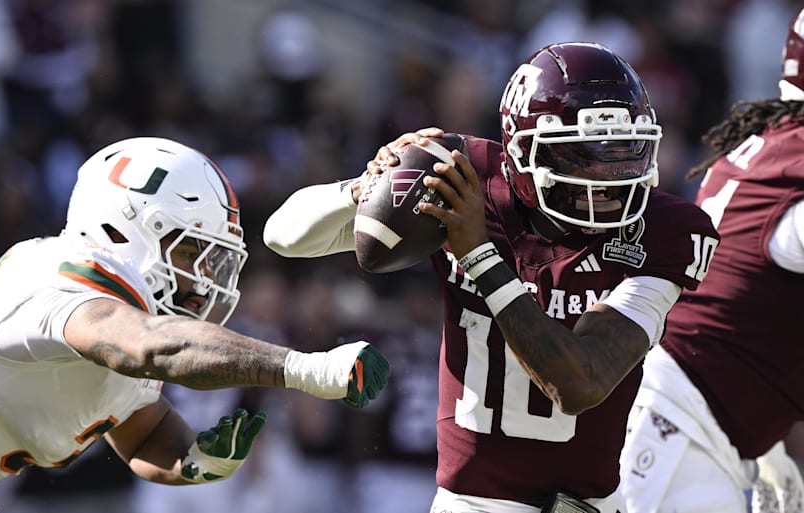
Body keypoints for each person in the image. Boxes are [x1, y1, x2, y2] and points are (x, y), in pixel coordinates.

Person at [264, 42, 719, 513]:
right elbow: (283, 236)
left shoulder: (663, 231)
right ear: (521, 152)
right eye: (582, 156)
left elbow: (580, 383)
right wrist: (364, 187)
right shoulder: (462, 177)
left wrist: (479, 256)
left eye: (625, 150)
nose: (608, 178)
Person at [0, 136, 391, 513]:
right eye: (195, 252)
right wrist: (304, 369)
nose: (203, 280)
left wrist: (194, 462)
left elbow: (146, 437)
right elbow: (150, 348)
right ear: (132, 227)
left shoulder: (127, 324)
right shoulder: (63, 277)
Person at [618, 9, 804, 513]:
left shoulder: (768, 146)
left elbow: (753, 302)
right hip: (678, 436)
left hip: (688, 421)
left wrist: (768, 441)